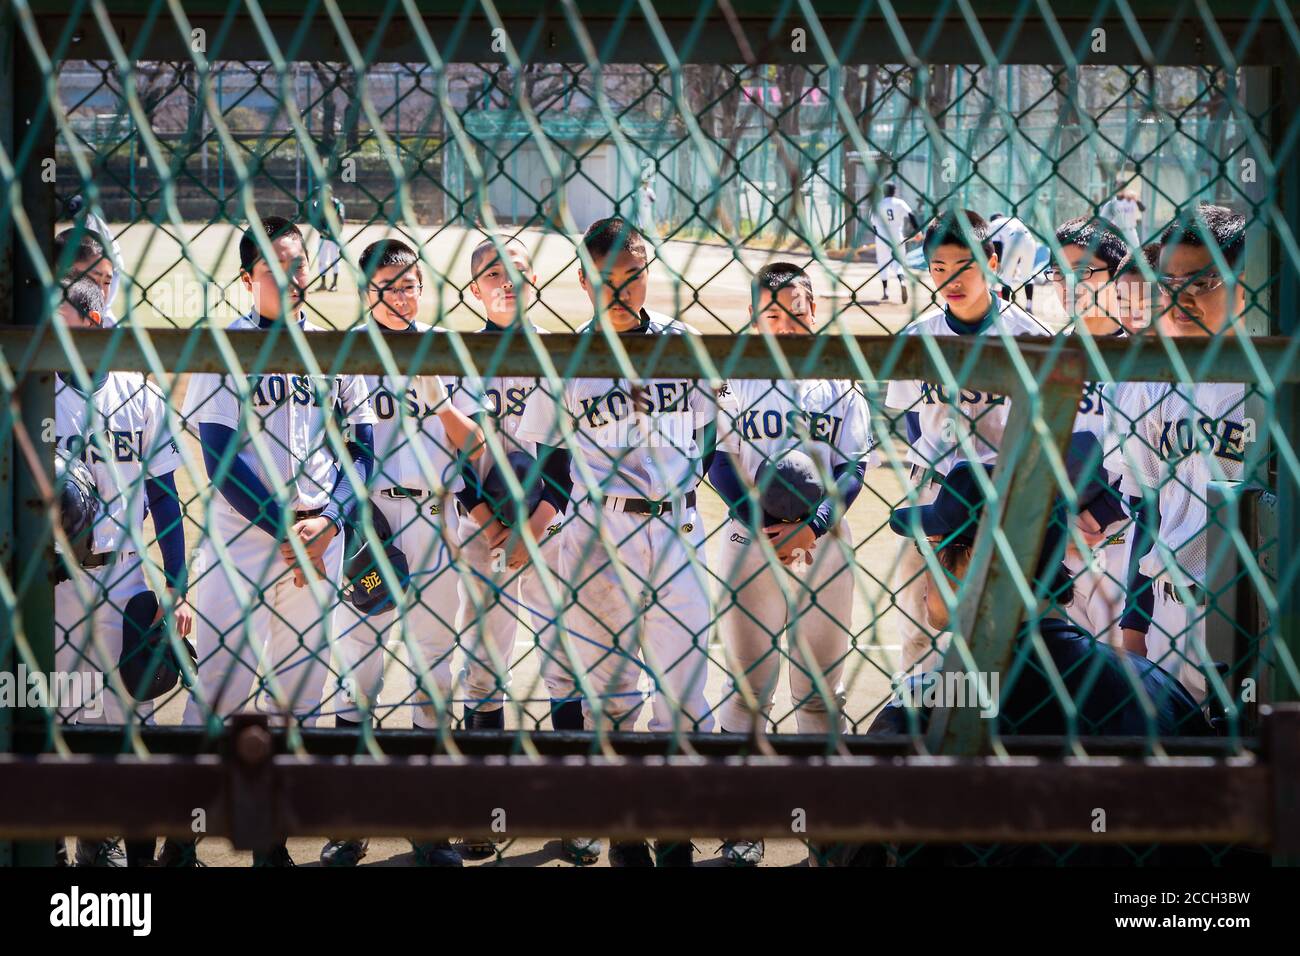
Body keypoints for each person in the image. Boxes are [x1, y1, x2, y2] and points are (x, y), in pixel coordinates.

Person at [514, 216, 716, 867]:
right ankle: (628, 836)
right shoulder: (568, 358)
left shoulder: (682, 343)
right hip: (598, 536)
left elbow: (710, 434)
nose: (631, 284)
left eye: (640, 270)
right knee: (613, 697)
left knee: (684, 695)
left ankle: (675, 832)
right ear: (585, 279)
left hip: (679, 528)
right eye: (616, 274)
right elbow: (546, 457)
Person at [179, 216, 376, 867]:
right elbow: (219, 456)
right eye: (275, 268)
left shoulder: (334, 347)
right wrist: (287, 527)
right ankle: (180, 834)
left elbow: (362, 450)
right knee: (220, 694)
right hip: (241, 541)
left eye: (299, 263)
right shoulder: (224, 345)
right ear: (246, 279)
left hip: (322, 537)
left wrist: (331, 520)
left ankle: (271, 844)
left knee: (302, 698)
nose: (293, 277)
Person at [320, 238, 484, 868]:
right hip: (370, 516)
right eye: (391, 284)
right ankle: (348, 821)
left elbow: (473, 444)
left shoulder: (443, 343)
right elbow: (333, 444)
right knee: (357, 670)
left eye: (413, 282)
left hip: (437, 514)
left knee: (435, 669)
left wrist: (437, 395)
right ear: (368, 293)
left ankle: (428, 825)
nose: (405, 294)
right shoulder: (350, 352)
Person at [707, 261, 876, 866]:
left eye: (796, 311)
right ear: (755, 315)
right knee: (750, 689)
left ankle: (821, 826)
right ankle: (743, 824)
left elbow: (856, 466)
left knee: (818, 689)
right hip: (748, 539)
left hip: (823, 541)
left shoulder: (839, 376)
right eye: (771, 313)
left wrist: (816, 523)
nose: (784, 323)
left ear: (816, 307)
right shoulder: (737, 373)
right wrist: (759, 521)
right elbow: (716, 457)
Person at [52, 278, 190, 866]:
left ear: (100, 323)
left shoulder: (139, 395)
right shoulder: (31, 392)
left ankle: (106, 840)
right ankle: (51, 843)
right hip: (51, 580)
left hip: (127, 575)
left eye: (69, 324)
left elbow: (164, 495)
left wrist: (177, 581)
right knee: (54, 713)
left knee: (128, 718)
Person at [885, 210, 1051, 672]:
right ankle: (918, 720)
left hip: (1001, 490)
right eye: (938, 268)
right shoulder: (919, 336)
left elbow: (1042, 426)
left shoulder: (1030, 337)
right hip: (936, 487)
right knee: (919, 618)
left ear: (992, 262)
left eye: (963, 266)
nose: (949, 280)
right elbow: (913, 417)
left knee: (996, 620)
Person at [1105, 203, 1250, 701]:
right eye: (1167, 285)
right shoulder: (1147, 385)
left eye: (1202, 283)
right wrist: (1134, 621)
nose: (1180, 299)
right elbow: (1146, 511)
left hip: (1256, 607)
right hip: (1170, 607)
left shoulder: (1272, 382)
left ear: (1241, 282)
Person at [869, 183, 919, 304]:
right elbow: (911, 215)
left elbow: (873, 224)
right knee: (899, 262)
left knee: (882, 262)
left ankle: (886, 291)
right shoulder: (899, 203)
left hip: (881, 236)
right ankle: (901, 281)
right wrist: (918, 231)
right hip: (897, 236)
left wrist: (878, 235)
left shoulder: (877, 204)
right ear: (894, 191)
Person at [987, 212, 1037, 312]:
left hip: (1013, 240)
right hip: (1030, 241)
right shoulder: (1012, 220)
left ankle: (1006, 305)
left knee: (1006, 278)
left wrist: (999, 264)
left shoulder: (993, 224)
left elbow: (997, 245)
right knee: (1027, 276)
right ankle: (1029, 305)